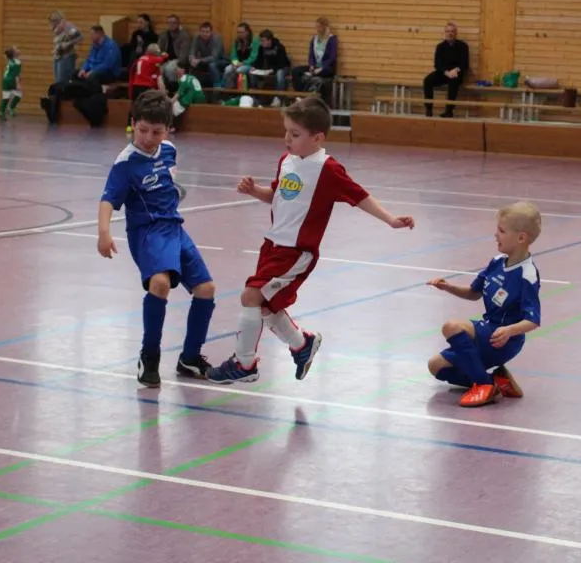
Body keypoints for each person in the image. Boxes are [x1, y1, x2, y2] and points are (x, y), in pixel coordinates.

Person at [207, 97, 415, 384]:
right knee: (265, 307)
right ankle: (302, 344)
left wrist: (390, 219)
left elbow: (360, 197)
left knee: (251, 296)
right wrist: (255, 191)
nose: (287, 139)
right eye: (286, 132)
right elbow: (277, 195)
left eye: (295, 134)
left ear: (317, 138)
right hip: (272, 246)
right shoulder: (286, 161)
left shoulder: (328, 169)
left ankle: (244, 364)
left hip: (296, 252)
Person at [97, 89, 216, 387]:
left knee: (206, 289)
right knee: (160, 284)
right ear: (132, 124)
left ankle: (190, 358)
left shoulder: (169, 150)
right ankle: (149, 356)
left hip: (174, 228)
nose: (149, 138)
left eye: (156, 132)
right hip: (147, 233)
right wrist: (104, 232)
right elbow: (108, 200)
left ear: (168, 130)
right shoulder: (126, 163)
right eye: (142, 130)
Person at [426, 201, 542, 408]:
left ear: (521, 238)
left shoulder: (527, 275)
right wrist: (448, 287)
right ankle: (496, 381)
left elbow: (533, 320)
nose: (495, 235)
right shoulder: (496, 262)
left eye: (501, 231)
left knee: (452, 327)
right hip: (487, 330)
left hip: (504, 339)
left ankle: (483, 385)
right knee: (436, 366)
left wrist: (509, 330)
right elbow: (473, 293)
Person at [422, 22, 469, 118]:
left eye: (452, 31)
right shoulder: (440, 46)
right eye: (447, 31)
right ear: (445, 33)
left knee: (453, 82)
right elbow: (437, 64)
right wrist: (446, 72)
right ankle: (429, 108)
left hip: (456, 73)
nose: (450, 33)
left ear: (456, 33)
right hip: (443, 72)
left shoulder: (463, 46)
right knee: (427, 80)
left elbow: (465, 64)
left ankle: (449, 111)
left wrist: (455, 70)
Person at [293, 17, 339, 104]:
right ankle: (299, 94)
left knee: (312, 76)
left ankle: (304, 98)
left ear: (324, 27)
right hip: (316, 66)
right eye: (316, 27)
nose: (317, 29)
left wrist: (322, 68)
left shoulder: (332, 39)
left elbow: (332, 57)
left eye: (319, 27)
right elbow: (311, 55)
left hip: (326, 67)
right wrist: (311, 65)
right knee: (296, 71)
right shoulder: (314, 39)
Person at [127, 43, 167, 133]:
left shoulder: (141, 59)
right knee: (147, 107)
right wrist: (164, 55)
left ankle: (129, 125)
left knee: (135, 106)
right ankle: (148, 125)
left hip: (136, 85)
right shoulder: (153, 59)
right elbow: (162, 59)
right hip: (145, 86)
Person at [0, 46, 22, 121]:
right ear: (14, 54)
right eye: (17, 49)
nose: (19, 50)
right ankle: (11, 108)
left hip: (5, 80)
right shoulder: (17, 62)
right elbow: (16, 75)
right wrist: (18, 84)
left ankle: (1, 112)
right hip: (12, 80)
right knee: (19, 94)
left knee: (5, 97)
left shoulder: (10, 60)